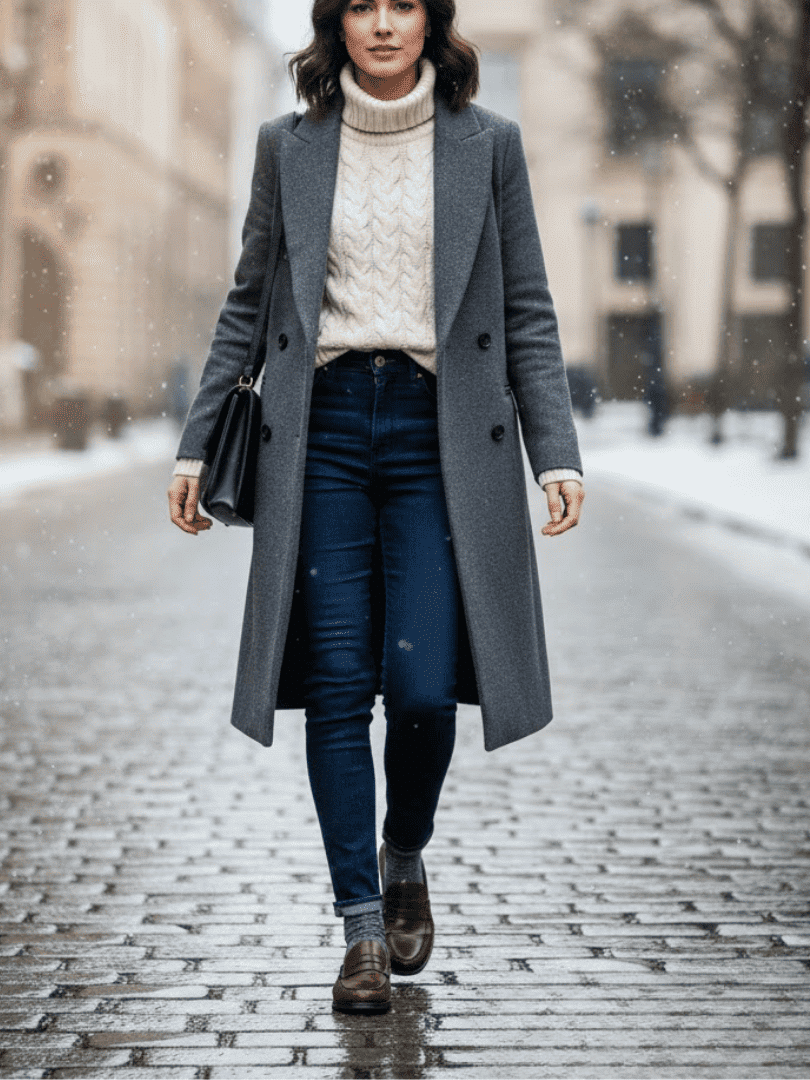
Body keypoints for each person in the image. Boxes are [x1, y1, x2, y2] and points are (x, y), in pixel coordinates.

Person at [166, 0, 584, 1015]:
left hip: (445, 434)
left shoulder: (488, 147)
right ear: (336, 24)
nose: (385, 25)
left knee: (427, 686)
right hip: (326, 431)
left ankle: (404, 851)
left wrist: (554, 453)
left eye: (405, 5)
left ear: (432, 22)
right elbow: (248, 298)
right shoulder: (289, 147)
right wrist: (195, 437)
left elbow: (525, 303)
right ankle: (361, 927)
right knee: (342, 683)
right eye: (364, 6)